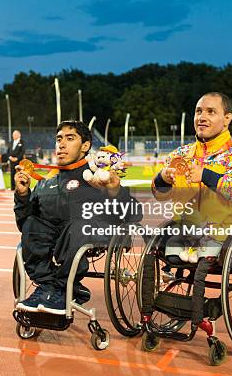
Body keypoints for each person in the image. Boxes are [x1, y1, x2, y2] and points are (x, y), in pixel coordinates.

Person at [152, 92, 232, 328]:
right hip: (185, 234)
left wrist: (206, 175)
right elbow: (159, 194)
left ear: (227, 118)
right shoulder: (180, 155)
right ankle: (148, 312)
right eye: (199, 111)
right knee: (153, 244)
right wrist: (163, 177)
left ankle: (201, 313)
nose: (202, 117)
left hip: (225, 237)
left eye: (211, 112)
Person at [14, 120, 139, 315]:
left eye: (70, 138)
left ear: (85, 146)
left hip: (89, 233)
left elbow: (132, 214)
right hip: (59, 236)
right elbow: (24, 226)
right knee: (32, 223)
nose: (61, 144)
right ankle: (47, 287)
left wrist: (115, 191)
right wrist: (22, 196)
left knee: (78, 225)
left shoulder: (97, 178)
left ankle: (64, 288)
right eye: (58, 139)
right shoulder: (47, 184)